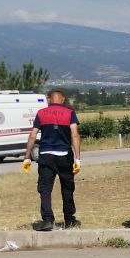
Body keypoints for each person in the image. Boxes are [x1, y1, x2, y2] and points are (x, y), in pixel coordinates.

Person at [23, 89, 81, 231]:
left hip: (46, 156)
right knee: (67, 188)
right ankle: (69, 220)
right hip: (64, 156)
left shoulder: (41, 113)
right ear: (62, 100)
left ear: (49, 100)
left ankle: (48, 220)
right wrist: (77, 158)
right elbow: (74, 135)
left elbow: (32, 135)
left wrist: (27, 157)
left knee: (45, 189)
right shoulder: (70, 113)